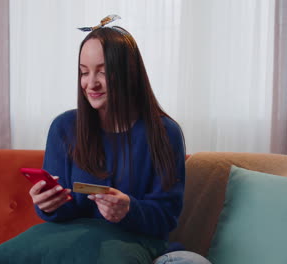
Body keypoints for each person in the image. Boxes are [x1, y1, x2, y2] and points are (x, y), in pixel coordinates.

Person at [28, 17, 211, 264]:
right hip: (78, 244)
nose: (90, 83)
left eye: (102, 72)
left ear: (128, 74)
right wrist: (48, 204)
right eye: (84, 72)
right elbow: (64, 212)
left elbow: (166, 216)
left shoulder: (165, 132)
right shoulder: (64, 128)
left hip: (142, 246)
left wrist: (129, 210)